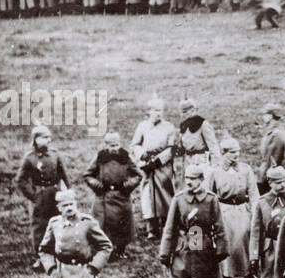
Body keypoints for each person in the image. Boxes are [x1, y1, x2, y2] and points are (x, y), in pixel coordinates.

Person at [158, 162, 229, 278]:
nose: (189, 182)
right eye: (187, 178)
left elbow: (219, 226)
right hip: (184, 249)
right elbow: (170, 228)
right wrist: (165, 253)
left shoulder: (211, 199)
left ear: (201, 180)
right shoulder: (179, 199)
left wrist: (221, 249)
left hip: (204, 248)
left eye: (193, 178)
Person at [207, 137, 260, 278]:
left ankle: (250, 274)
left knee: (246, 239)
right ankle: (227, 277)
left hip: (243, 210)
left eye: (237, 151)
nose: (236, 155)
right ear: (224, 153)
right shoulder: (215, 171)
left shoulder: (245, 169)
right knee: (228, 243)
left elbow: (253, 193)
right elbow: (209, 195)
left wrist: (256, 212)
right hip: (224, 212)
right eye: (232, 152)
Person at [82, 131, 141, 258]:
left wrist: (127, 186)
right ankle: (104, 250)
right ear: (105, 145)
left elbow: (138, 175)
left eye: (116, 145)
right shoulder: (100, 157)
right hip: (103, 196)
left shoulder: (126, 157)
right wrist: (98, 186)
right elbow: (87, 175)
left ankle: (120, 250)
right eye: (111, 145)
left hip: (122, 196)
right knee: (101, 224)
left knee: (122, 225)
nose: (114, 148)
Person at [16, 125, 68, 264]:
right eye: (45, 137)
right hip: (40, 197)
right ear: (36, 139)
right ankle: (41, 256)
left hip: (56, 195)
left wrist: (67, 192)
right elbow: (21, 180)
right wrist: (34, 196)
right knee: (40, 226)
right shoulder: (30, 158)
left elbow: (63, 174)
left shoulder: (54, 154)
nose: (49, 140)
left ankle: (59, 253)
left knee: (58, 222)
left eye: (49, 137)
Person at [131, 95, 177, 239]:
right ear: (149, 111)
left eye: (160, 110)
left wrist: (158, 161)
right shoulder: (142, 126)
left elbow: (172, 148)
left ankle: (166, 224)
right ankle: (151, 227)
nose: (158, 113)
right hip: (147, 166)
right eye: (155, 110)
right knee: (147, 196)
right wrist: (142, 155)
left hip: (163, 167)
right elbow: (135, 144)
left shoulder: (169, 127)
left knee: (164, 194)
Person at [175, 98, 220, 178]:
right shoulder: (183, 126)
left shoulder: (203, 124)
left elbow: (213, 145)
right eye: (182, 112)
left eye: (185, 112)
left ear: (193, 110)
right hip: (187, 161)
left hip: (201, 161)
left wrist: (215, 165)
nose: (183, 115)